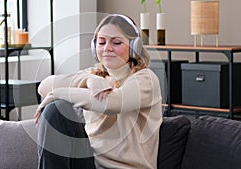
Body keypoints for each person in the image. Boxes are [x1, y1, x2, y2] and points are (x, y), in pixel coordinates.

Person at [34, 14, 163, 169]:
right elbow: (44, 86)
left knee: (56, 102)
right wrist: (89, 80)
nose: (107, 48)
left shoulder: (146, 79)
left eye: (116, 42)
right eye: (101, 42)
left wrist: (58, 93)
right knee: (56, 109)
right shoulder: (93, 75)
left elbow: (111, 103)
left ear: (134, 46)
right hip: (89, 164)